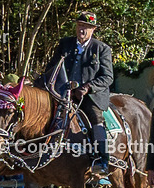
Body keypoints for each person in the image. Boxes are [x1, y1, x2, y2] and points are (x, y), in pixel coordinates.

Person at [44, 12, 115, 176]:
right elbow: (52, 67)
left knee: (96, 119)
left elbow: (108, 77)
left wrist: (88, 87)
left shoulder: (101, 49)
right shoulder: (65, 44)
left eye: (86, 27)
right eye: (80, 26)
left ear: (93, 29)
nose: (82, 30)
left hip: (89, 96)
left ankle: (101, 159)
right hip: (63, 93)